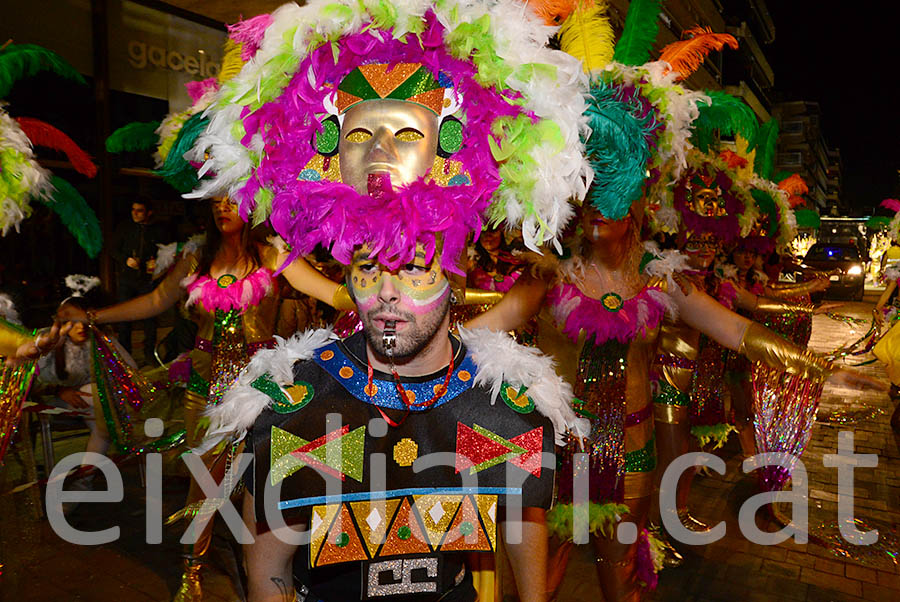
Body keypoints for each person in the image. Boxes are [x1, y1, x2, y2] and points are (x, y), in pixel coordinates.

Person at [187, 2, 590, 600]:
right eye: (368, 269)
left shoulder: (501, 408)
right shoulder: (298, 407)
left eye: (416, 269)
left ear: (456, 276)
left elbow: (521, 544)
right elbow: (267, 573)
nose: (387, 296)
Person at [58, 197, 355, 601]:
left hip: (260, 387)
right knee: (205, 481)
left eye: (232, 199)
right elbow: (155, 301)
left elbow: (333, 293)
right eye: (216, 201)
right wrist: (95, 318)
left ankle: (270, 571)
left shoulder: (273, 253)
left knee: (267, 479)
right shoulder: (196, 256)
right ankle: (191, 569)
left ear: (253, 203)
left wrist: (379, 289)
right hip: (204, 386)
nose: (223, 208)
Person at [108, 198, 168, 359]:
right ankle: (125, 355)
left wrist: (158, 261)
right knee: (124, 318)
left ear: (148, 213)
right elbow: (113, 249)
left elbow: (167, 250)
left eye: (139, 210)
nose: (135, 213)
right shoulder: (125, 228)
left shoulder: (157, 230)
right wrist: (125, 260)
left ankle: (149, 354)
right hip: (127, 279)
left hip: (147, 279)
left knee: (150, 319)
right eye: (133, 209)